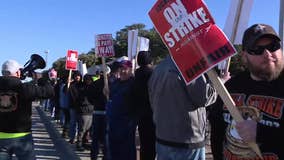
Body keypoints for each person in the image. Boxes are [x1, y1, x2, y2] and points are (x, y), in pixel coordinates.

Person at [209, 23, 284, 160]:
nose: (267, 54)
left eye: (273, 47)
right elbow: (217, 130)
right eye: (257, 49)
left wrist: (261, 133)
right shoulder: (231, 87)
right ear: (244, 56)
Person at [148, 55, 217, 160]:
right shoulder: (188, 64)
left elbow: (152, 100)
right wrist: (219, 82)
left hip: (163, 137)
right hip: (187, 140)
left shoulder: (159, 68)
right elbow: (204, 97)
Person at [0, 60, 54, 159]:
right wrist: (40, 78)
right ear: (17, 72)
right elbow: (50, 92)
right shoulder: (25, 88)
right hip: (22, 137)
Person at [127, 51, 156, 160]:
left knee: (144, 145)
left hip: (140, 116)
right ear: (150, 61)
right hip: (155, 114)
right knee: (153, 145)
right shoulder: (154, 75)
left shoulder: (134, 78)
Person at [106, 60, 137, 160]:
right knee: (114, 150)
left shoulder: (134, 83)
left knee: (126, 152)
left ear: (131, 69)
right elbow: (110, 98)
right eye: (121, 68)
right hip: (113, 123)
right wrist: (106, 92)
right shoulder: (115, 83)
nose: (123, 71)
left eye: (125, 69)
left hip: (127, 124)